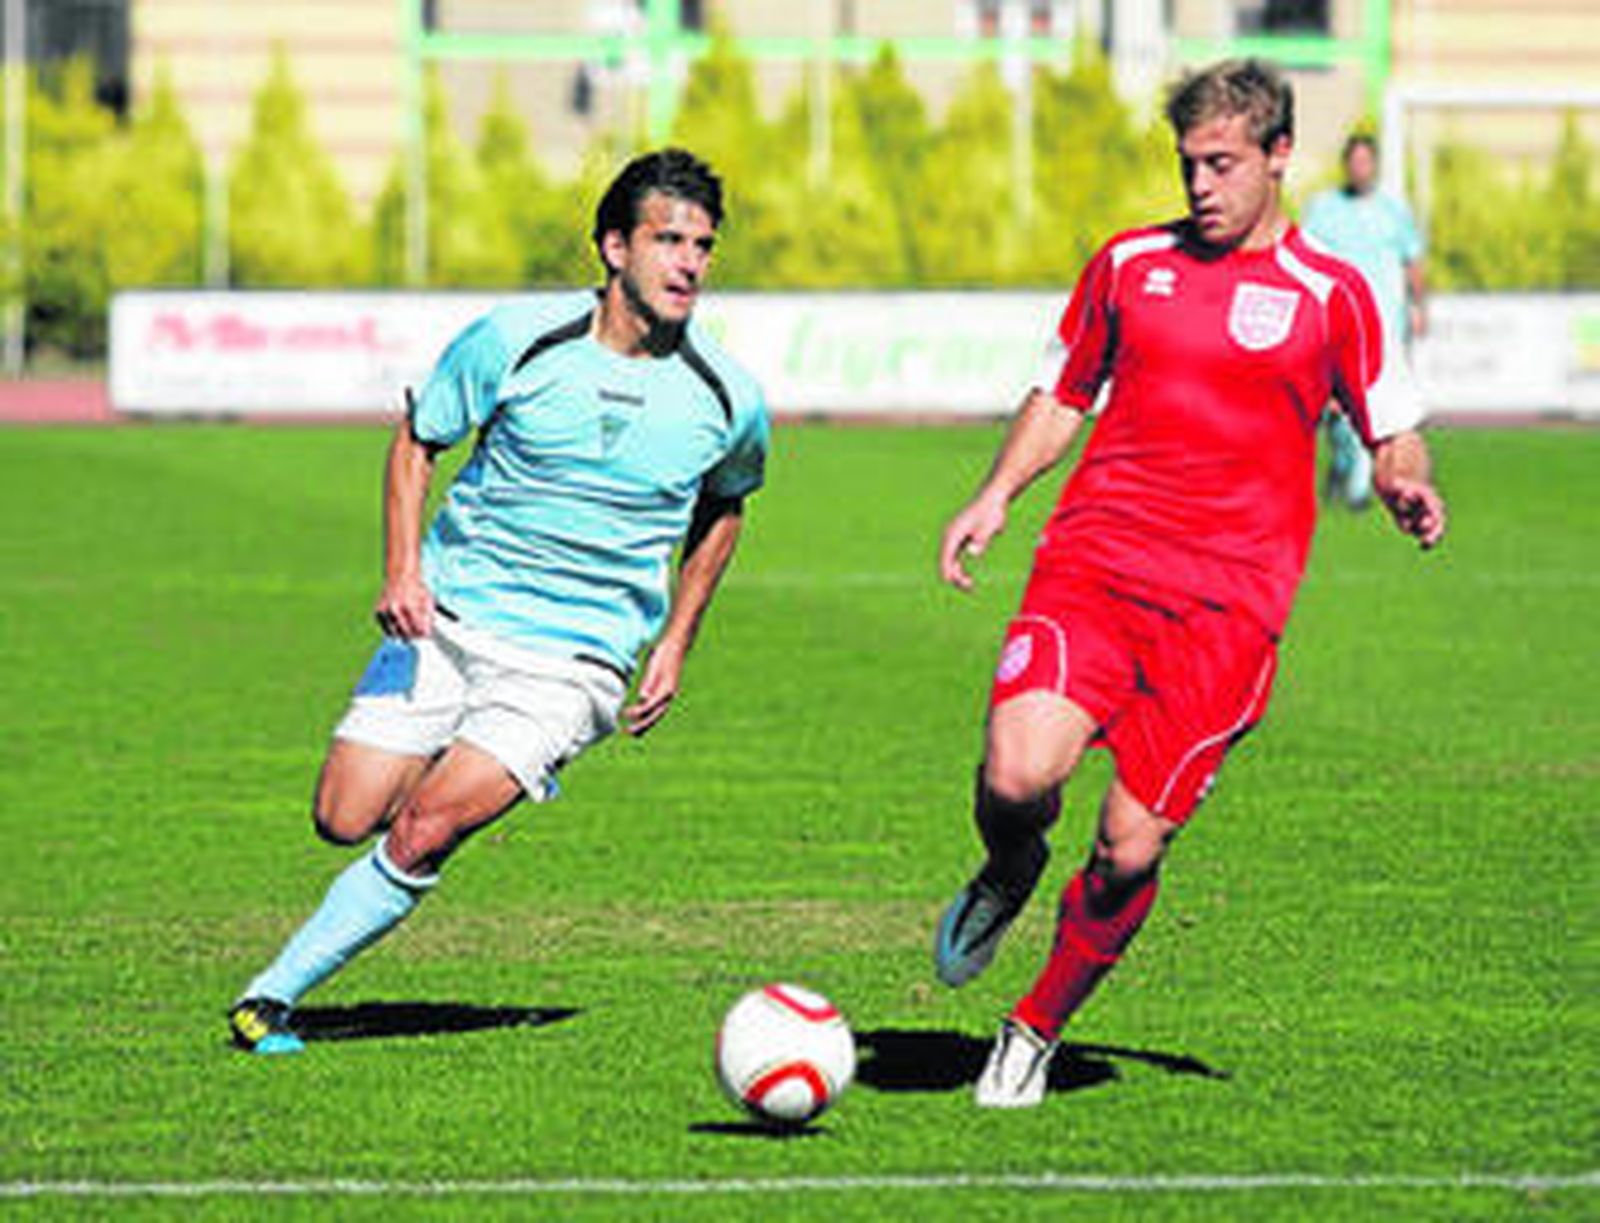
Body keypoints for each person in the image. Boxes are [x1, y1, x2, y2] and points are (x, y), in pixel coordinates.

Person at [931, 60, 1446, 1108]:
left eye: (1222, 164)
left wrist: (1404, 481)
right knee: (1016, 778)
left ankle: (1035, 1025)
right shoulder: (1129, 264)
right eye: (1188, 164)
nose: (1201, 185)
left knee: (1126, 849)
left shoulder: (1333, 297)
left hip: (1226, 611)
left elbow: (1393, 428)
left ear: (1278, 155)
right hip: (1095, 565)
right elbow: (1062, 392)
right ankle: (1009, 867)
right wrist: (995, 494)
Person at [228, 148, 769, 1054]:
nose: (689, 264)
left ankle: (269, 997)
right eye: (668, 240)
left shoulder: (728, 397)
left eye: (703, 246)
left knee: (424, 828)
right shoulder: (516, 339)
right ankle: (450, 761)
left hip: (574, 665)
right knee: (342, 816)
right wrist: (403, 570)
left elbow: (726, 509)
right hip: (448, 621)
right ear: (614, 247)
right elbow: (418, 440)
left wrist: (676, 640)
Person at [1303, 133, 1428, 509]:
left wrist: (1418, 306)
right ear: (1346, 165)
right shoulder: (1323, 208)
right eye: (1354, 161)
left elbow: (1412, 260)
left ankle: (1359, 487)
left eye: (1366, 161)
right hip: (1335, 320)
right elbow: (1307, 260)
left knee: (1374, 403)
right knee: (1336, 407)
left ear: (1375, 166)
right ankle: (1343, 462)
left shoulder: (1393, 211)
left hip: (1384, 322)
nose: (1360, 168)